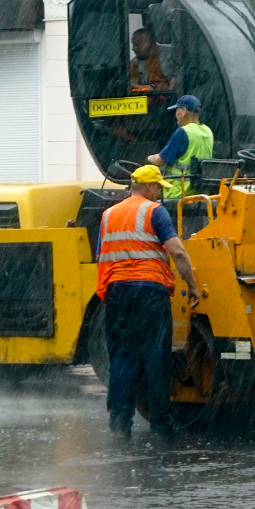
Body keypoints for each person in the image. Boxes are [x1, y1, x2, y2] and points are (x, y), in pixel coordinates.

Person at [97, 164, 200, 437]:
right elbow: (177, 251)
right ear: (150, 187)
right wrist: (192, 286)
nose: (159, 194)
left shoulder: (108, 215)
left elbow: (102, 255)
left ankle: (120, 423)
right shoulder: (154, 211)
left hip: (118, 292)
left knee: (121, 357)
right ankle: (161, 425)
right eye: (159, 189)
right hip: (149, 292)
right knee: (156, 356)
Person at [148, 94, 215, 199]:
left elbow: (160, 160)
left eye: (177, 110)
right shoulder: (208, 132)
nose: (176, 115)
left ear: (183, 111)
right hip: (201, 195)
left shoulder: (183, 132)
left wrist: (149, 158)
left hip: (179, 195)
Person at [129, 27, 170, 92]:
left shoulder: (170, 57)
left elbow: (176, 82)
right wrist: (140, 87)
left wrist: (154, 88)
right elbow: (130, 82)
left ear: (147, 44)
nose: (133, 49)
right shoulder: (134, 63)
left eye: (136, 45)